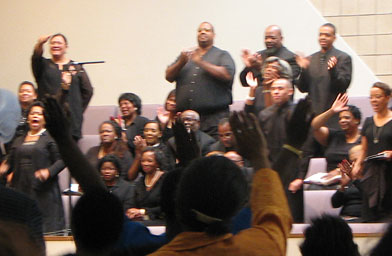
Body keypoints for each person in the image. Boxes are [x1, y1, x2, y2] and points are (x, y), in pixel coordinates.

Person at [150, 110, 296, 255]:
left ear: (178, 201)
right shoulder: (261, 247)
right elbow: (272, 212)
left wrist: (189, 164)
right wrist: (260, 156)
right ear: (236, 208)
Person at [43, 96, 167, 255]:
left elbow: (98, 197)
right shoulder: (137, 244)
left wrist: (63, 139)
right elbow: (101, 199)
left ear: (76, 232)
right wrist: (64, 140)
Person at [1, 101, 65, 232]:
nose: (35, 116)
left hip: (43, 191)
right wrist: (5, 167)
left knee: (43, 229)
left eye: (39, 114)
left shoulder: (50, 138)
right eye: (32, 113)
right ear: (28, 117)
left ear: (44, 119)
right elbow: (10, 160)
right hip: (22, 188)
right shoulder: (19, 139)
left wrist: (48, 171)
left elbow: (62, 160)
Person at [165, 22, 235, 139]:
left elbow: (227, 74)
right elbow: (168, 76)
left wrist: (200, 62)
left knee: (212, 152)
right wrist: (182, 62)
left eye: (207, 30)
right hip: (187, 119)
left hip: (214, 119)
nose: (202, 32)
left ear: (214, 35)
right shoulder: (187, 55)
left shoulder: (222, 55)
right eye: (200, 30)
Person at [32, 34, 93, 141]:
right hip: (48, 120)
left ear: (66, 47)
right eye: (53, 43)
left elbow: (88, 91)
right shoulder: (43, 65)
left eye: (59, 43)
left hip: (71, 122)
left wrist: (77, 109)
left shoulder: (76, 67)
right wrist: (40, 43)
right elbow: (36, 57)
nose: (55, 45)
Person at [299, 94, 362, 190]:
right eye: (340, 118)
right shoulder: (334, 135)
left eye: (346, 118)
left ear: (357, 120)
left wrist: (339, 171)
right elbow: (314, 126)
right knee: (312, 188)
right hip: (329, 180)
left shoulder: (363, 140)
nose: (342, 121)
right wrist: (332, 111)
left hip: (351, 180)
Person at [296, 23, 352, 128]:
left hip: (333, 116)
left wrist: (333, 71)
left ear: (334, 38)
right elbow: (302, 88)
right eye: (321, 34)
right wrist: (303, 69)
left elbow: (343, 85)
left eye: (327, 35)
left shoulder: (343, 58)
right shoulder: (311, 59)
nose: (323, 37)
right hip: (313, 115)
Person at [352, 82, 392, 222]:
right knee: (370, 214)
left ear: (387, 98)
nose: (373, 100)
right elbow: (364, 149)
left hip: (389, 172)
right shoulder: (369, 122)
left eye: (378, 96)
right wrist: (358, 164)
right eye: (371, 97)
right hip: (372, 172)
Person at [127, 147, 166, 222]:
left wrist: (143, 212)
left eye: (149, 161)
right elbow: (133, 203)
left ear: (157, 163)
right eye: (143, 161)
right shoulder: (140, 182)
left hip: (161, 222)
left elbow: (167, 207)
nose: (145, 164)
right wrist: (131, 211)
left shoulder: (166, 179)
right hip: (142, 222)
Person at [331, 145, 362, 222]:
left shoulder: (372, 177)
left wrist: (354, 178)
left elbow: (367, 194)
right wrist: (342, 186)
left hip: (362, 218)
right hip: (344, 218)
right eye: (351, 161)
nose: (353, 165)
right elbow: (335, 204)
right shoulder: (348, 178)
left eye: (356, 160)